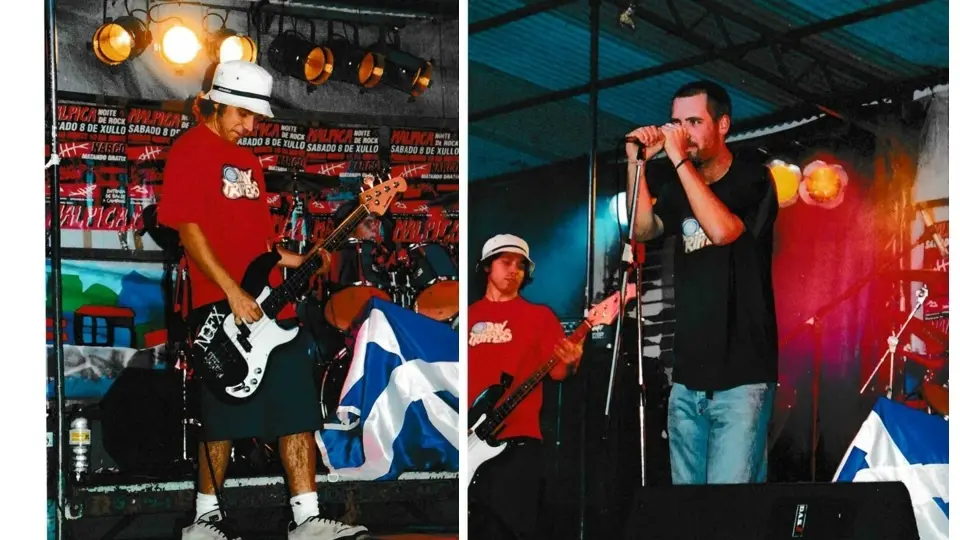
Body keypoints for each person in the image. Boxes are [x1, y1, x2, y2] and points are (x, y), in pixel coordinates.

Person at [158, 60, 370, 540]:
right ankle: (205, 519)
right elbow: (190, 233)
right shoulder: (190, 151)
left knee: (296, 405)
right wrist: (232, 293)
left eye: (255, 118)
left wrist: (299, 261)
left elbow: (259, 246)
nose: (250, 126)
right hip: (220, 305)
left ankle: (306, 518)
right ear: (218, 102)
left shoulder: (248, 161)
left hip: (271, 307)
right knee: (223, 412)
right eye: (244, 115)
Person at [624, 80, 779, 485]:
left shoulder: (754, 178)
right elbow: (642, 229)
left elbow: (723, 231)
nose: (683, 131)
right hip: (688, 379)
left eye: (694, 121)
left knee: (728, 513)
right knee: (687, 514)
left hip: (742, 379)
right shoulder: (679, 188)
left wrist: (677, 160)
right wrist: (636, 164)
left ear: (723, 124)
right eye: (677, 121)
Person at [467, 234, 584, 539]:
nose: (514, 270)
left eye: (520, 265)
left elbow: (558, 373)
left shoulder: (540, 317)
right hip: (467, 441)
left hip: (518, 445)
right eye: (505, 262)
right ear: (486, 267)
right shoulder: (466, 318)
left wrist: (572, 360)